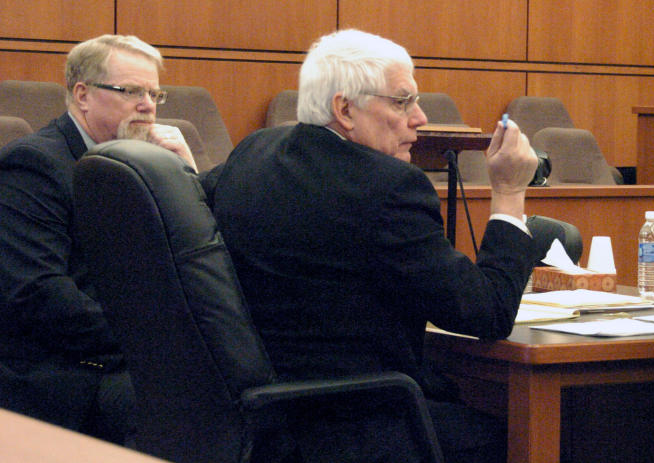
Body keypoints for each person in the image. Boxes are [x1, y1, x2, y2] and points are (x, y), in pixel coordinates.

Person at [205, 28, 543, 462]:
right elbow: (487, 312)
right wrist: (511, 191)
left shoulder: (252, 153)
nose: (419, 118)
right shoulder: (387, 188)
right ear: (344, 108)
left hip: (258, 418)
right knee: (514, 436)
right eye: (402, 102)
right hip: (355, 422)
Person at [0, 34, 196, 444]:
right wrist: (153, 340)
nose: (148, 105)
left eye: (155, 93)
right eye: (131, 91)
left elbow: (198, 260)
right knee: (195, 418)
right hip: (63, 368)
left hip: (131, 353)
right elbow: (39, 295)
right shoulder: (33, 165)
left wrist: (188, 175)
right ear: (82, 94)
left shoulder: (146, 162)